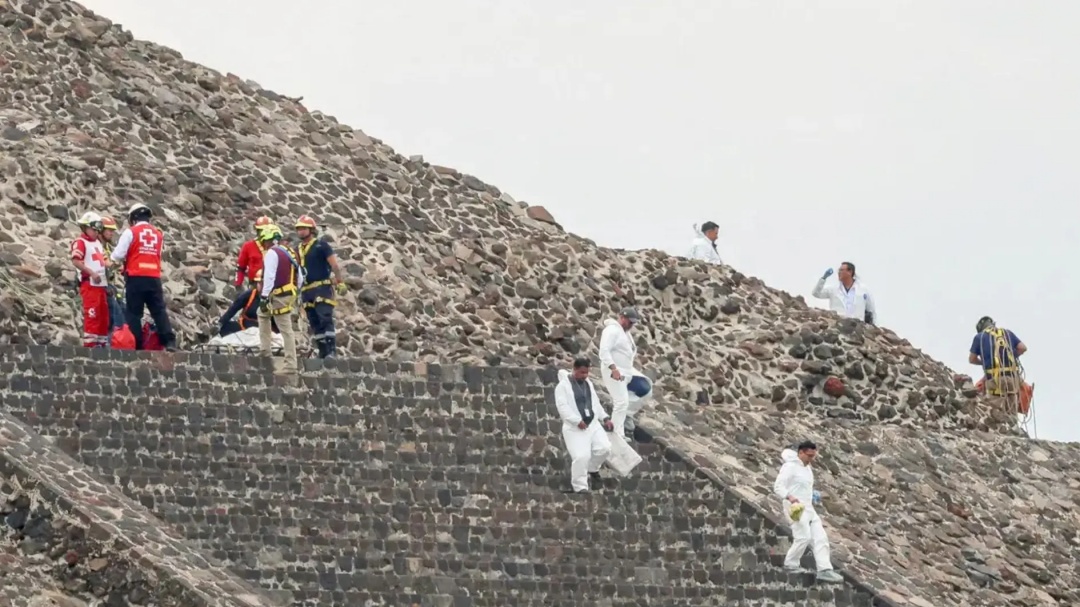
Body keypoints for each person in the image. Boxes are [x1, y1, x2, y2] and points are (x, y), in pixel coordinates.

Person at [772, 441, 844, 584]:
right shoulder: (790, 467)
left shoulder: (807, 469)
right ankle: (790, 564)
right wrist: (790, 497)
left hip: (808, 507)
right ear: (801, 453)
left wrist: (812, 494)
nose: (811, 459)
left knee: (820, 537)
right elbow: (778, 486)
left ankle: (824, 569)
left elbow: (803, 486)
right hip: (794, 506)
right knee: (803, 536)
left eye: (813, 456)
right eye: (809, 455)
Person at [110, 203, 177, 351]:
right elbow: (154, 255)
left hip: (136, 278)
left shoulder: (131, 232)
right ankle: (169, 342)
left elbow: (117, 255)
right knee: (159, 311)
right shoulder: (158, 234)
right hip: (154, 278)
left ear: (133, 218)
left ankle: (136, 345)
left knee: (134, 313)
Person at [554, 357, 615, 494]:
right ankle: (580, 486)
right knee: (581, 457)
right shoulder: (562, 387)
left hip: (592, 424)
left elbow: (595, 403)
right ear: (574, 369)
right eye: (582, 372)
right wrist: (576, 421)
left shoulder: (588, 384)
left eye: (586, 372)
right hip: (575, 428)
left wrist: (605, 418)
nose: (585, 375)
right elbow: (562, 407)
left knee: (604, 448)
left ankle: (593, 469)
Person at [295, 214, 346, 358]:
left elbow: (334, 265)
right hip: (306, 290)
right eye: (298, 229)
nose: (300, 231)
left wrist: (340, 282)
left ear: (311, 229)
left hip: (322, 288)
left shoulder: (321, 246)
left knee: (324, 317)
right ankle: (323, 352)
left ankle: (331, 350)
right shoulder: (297, 249)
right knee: (314, 321)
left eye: (303, 228)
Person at [256, 224, 303, 374]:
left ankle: (290, 364)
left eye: (264, 241)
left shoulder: (272, 253)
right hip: (290, 293)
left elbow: (269, 277)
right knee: (262, 314)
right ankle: (265, 351)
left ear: (269, 240)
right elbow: (300, 277)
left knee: (285, 328)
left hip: (278, 294)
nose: (264, 244)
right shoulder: (291, 252)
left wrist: (264, 297)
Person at [598, 307, 654, 434]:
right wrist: (613, 368)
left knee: (645, 388)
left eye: (633, 323)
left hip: (627, 371)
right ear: (622, 318)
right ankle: (616, 433)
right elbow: (604, 351)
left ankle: (627, 414)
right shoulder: (612, 330)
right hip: (614, 370)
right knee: (621, 402)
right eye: (630, 322)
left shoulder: (625, 333)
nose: (631, 325)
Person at [69, 212, 110, 348]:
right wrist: (91, 273)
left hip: (101, 286)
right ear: (85, 227)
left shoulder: (98, 243)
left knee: (103, 317)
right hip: (89, 284)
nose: (96, 232)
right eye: (94, 229)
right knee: (92, 315)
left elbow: (104, 261)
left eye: (98, 230)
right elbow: (76, 260)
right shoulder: (80, 242)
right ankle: (90, 347)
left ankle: (102, 345)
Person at [969, 316, 1027, 398]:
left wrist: (984, 362)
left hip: (994, 380)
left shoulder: (979, 337)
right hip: (1012, 379)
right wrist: (1012, 356)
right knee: (1012, 402)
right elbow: (1023, 348)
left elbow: (972, 359)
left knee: (994, 404)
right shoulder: (1008, 333)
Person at [811, 262, 877, 325]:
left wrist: (873, 326)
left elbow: (871, 310)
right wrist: (823, 278)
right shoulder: (833, 289)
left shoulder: (863, 290)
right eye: (839, 270)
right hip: (838, 324)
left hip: (857, 326)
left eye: (841, 270)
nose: (839, 272)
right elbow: (816, 293)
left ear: (850, 272)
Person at [218, 269, 266, 337]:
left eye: (264, 283)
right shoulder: (249, 294)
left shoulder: (274, 299)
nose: (261, 286)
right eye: (259, 283)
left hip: (264, 331)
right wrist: (220, 323)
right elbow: (233, 309)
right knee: (224, 328)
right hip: (244, 328)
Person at [99, 215, 125, 333]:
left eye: (113, 230)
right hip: (101, 287)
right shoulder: (97, 246)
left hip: (109, 286)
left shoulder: (107, 247)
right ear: (101, 230)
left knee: (123, 310)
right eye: (109, 230)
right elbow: (108, 264)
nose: (112, 233)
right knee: (117, 318)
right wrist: (119, 265)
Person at [234, 215, 273, 288]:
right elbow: (240, 268)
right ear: (257, 231)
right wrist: (238, 284)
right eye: (262, 230)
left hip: (273, 286)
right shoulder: (248, 246)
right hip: (254, 285)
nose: (264, 233)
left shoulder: (277, 247)